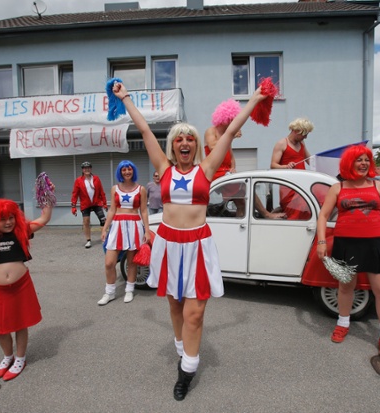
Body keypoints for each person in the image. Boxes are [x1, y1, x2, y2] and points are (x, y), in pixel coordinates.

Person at [112, 81, 266, 401]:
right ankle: (182, 348)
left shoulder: (207, 169)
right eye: (179, 138)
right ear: (173, 145)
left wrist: (255, 99)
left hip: (198, 245)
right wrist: (125, 98)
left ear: (196, 145)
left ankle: (187, 371)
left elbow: (230, 129)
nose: (185, 142)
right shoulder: (164, 168)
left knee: (195, 314)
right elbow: (145, 130)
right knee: (175, 305)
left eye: (190, 139)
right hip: (168, 244)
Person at [315, 145, 380, 360]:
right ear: (349, 163)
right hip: (347, 243)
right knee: (345, 288)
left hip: (376, 243)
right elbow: (323, 216)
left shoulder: (379, 186)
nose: (363, 163)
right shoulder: (338, 188)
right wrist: (321, 241)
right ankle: (343, 324)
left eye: (366, 160)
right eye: (358, 160)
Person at [0, 197, 53, 381]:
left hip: (21, 284)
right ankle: (8, 357)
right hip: (0, 290)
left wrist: (46, 195)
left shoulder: (20, 231)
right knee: (1, 327)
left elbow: (44, 218)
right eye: (2, 219)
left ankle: (20, 359)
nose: (8, 222)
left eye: (11, 217)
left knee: (20, 323)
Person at [99, 160, 150, 305]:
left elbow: (144, 211)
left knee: (132, 262)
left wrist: (146, 230)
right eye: (124, 170)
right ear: (120, 172)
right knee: (109, 262)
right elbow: (112, 210)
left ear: (133, 171)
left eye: (129, 169)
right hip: (117, 226)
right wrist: (105, 228)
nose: (127, 172)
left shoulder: (141, 189)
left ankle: (129, 289)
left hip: (134, 225)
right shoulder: (115, 188)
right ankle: (109, 292)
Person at [270, 118, 314, 219]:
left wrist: (321, 160)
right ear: (296, 131)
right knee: (293, 214)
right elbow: (273, 165)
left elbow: (309, 160)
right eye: (304, 134)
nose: (306, 137)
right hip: (288, 187)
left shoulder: (302, 143)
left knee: (305, 212)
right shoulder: (282, 143)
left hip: (302, 185)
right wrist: (286, 166)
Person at [71, 161, 108, 248]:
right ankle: (88, 240)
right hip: (85, 204)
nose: (87, 169)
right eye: (85, 168)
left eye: (88, 168)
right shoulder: (78, 181)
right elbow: (75, 194)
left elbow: (101, 192)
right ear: (82, 170)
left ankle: (104, 238)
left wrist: (105, 203)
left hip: (96, 202)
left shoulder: (96, 178)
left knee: (103, 220)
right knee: (86, 221)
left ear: (91, 169)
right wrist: (73, 207)